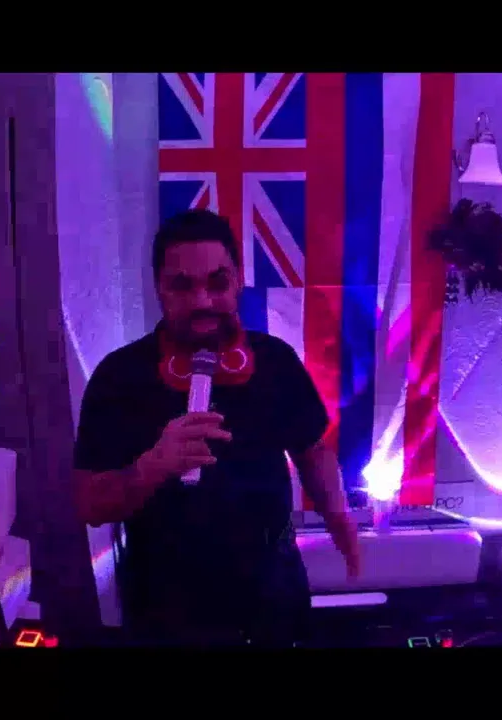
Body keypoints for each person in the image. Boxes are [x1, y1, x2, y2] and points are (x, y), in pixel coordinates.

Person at [74, 209, 361, 646]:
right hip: (167, 611)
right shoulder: (119, 377)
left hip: (275, 597)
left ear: (239, 280)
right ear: (158, 288)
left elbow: (311, 449)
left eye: (217, 282)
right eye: (182, 286)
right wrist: (152, 467)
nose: (203, 301)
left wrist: (339, 518)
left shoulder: (276, 360)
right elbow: (89, 504)